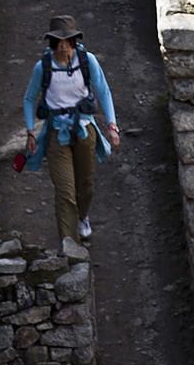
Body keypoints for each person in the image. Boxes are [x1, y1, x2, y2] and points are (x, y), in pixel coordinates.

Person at [22, 13, 120, 246]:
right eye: (58, 42)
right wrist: (30, 131)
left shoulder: (88, 62)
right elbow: (29, 98)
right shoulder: (43, 67)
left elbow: (103, 92)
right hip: (57, 134)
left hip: (85, 130)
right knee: (65, 191)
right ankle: (69, 245)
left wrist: (112, 126)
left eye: (68, 41)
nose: (63, 46)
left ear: (75, 42)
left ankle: (83, 217)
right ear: (52, 43)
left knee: (85, 185)